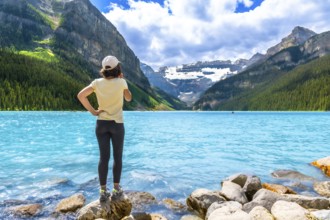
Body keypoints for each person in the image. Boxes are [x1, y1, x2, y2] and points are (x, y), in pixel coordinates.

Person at [77, 55, 132, 203]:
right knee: (117, 157)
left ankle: (102, 191)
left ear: (104, 69)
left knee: (103, 158)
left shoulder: (97, 83)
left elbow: (81, 95)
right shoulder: (121, 82)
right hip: (117, 124)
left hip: (101, 124)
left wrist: (94, 112)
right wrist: (122, 81)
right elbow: (128, 98)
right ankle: (116, 189)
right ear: (117, 68)